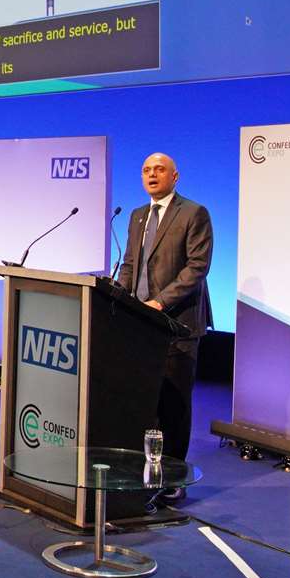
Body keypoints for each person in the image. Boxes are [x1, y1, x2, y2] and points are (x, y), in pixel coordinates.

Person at [115, 152, 213, 500]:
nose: (151, 174)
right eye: (145, 170)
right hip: (141, 324)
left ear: (175, 177)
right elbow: (130, 264)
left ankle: (173, 478)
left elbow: (197, 267)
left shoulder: (193, 213)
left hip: (178, 324)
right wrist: (118, 296)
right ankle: (146, 468)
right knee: (145, 402)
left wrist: (160, 302)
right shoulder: (138, 216)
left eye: (159, 169)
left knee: (173, 404)